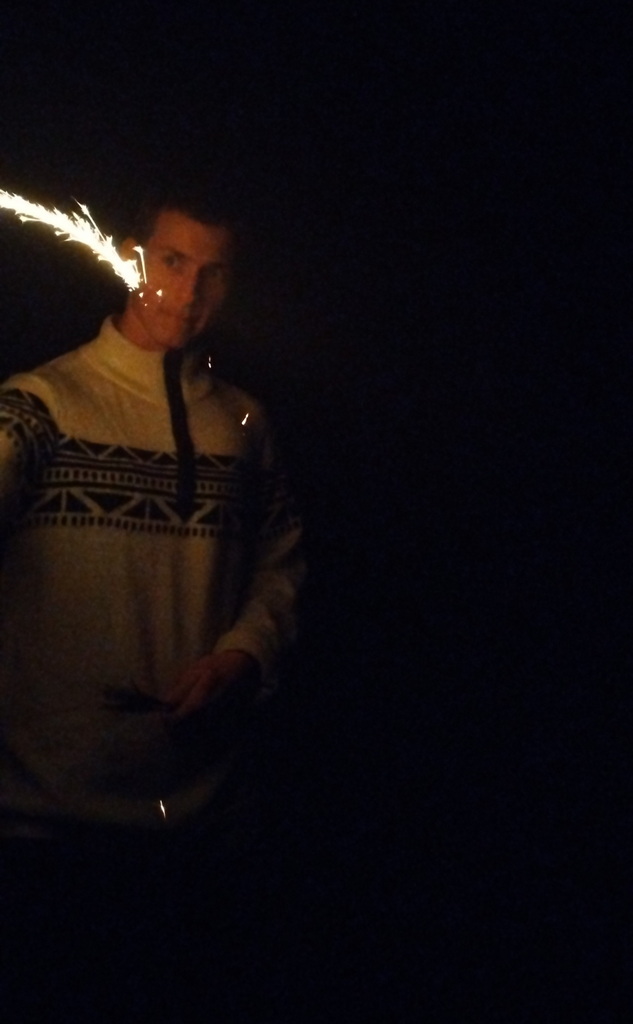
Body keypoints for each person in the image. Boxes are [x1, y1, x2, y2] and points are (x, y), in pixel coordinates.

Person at [0, 192, 304, 1017]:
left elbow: (280, 566)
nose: (189, 291)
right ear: (131, 254)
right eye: (172, 261)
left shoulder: (244, 424)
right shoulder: (40, 406)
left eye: (214, 272)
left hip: (199, 834)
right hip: (41, 830)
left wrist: (244, 653)